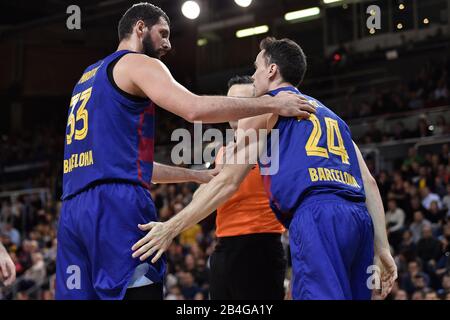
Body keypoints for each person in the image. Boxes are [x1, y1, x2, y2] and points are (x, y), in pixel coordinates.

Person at [56, 3, 314, 300]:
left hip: (73, 211)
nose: (168, 43)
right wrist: (272, 103)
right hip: (116, 205)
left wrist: (197, 176)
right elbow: (193, 109)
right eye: (163, 33)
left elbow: (133, 165)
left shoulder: (86, 79)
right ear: (140, 28)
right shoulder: (139, 63)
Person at [132, 37, 397, 300]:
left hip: (312, 216)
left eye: (257, 68)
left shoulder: (269, 107)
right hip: (358, 219)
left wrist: (170, 228)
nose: (254, 76)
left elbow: (227, 180)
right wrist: (382, 246)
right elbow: (369, 182)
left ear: (272, 70)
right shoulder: (333, 117)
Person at [207, 75, 286, 300]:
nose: (232, 108)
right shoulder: (222, 151)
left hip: (260, 244)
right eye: (229, 101)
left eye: (240, 101)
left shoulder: (271, 141)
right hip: (224, 246)